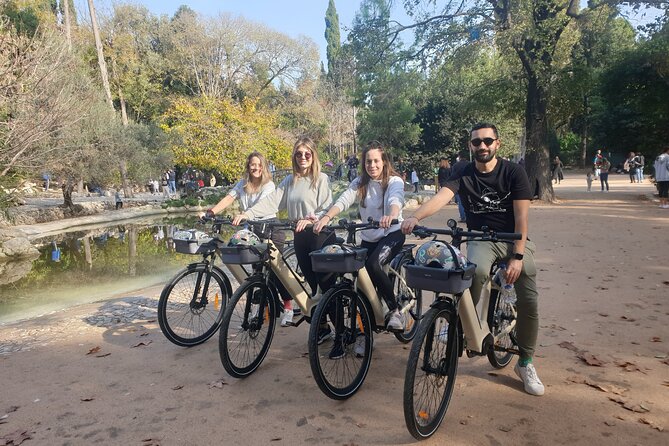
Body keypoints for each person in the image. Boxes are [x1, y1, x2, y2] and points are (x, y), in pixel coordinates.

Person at [401, 123, 544, 396]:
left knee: (529, 297)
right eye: (477, 142)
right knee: (473, 272)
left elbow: (522, 218)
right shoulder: (462, 171)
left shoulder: (514, 172)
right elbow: (442, 196)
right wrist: (416, 216)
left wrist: (517, 256)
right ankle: (463, 327)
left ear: (497, 144)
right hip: (480, 237)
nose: (482, 146)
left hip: (513, 238)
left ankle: (525, 361)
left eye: (488, 141)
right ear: (470, 146)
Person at [233, 137, 334, 337]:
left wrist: (315, 219)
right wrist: (248, 214)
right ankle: (322, 328)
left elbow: (328, 207)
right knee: (312, 289)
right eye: (299, 154)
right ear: (294, 157)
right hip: (300, 237)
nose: (303, 158)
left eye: (307, 154)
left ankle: (342, 331)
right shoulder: (290, 180)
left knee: (326, 287)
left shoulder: (321, 178)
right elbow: (272, 202)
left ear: (313, 156)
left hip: (319, 236)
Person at [313, 141, 406, 337]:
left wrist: (391, 214)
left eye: (376, 161)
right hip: (369, 235)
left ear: (384, 161)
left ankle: (395, 310)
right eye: (368, 162)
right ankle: (367, 329)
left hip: (392, 233)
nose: (372, 165)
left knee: (373, 265)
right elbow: (344, 199)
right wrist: (327, 217)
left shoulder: (394, 181)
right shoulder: (359, 182)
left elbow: (395, 199)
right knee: (362, 279)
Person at [207, 152, 295, 327]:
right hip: (252, 232)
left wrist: (245, 215)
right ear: (248, 166)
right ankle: (264, 307)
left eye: (259, 165)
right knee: (257, 272)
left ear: (264, 167)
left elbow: (261, 208)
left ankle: (288, 306)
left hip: (271, 230)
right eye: (253, 165)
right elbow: (228, 198)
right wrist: (211, 212)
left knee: (276, 271)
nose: (256, 168)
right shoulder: (243, 184)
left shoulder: (269, 186)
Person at [450, 150, 469, 222]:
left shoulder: (456, 165)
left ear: (460, 156)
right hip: (468, 186)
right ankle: (468, 216)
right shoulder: (470, 164)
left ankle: (463, 217)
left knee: (461, 203)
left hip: (459, 186)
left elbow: (452, 176)